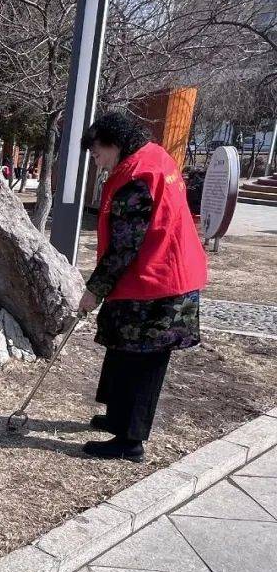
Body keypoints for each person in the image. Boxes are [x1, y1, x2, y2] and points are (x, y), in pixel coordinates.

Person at [78, 111, 208, 461]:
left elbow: (125, 246)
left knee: (144, 359)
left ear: (115, 144)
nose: (97, 162)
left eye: (97, 153)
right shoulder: (154, 157)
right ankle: (117, 417)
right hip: (152, 276)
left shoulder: (135, 179)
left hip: (159, 283)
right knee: (123, 347)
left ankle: (130, 440)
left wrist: (94, 290)